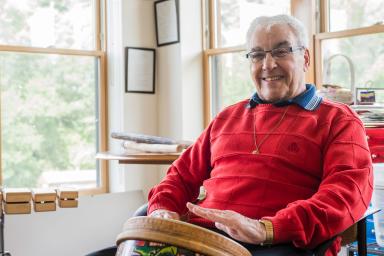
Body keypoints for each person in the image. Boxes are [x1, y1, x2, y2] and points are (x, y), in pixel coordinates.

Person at [87, 14, 373, 256]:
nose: (268, 65)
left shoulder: (339, 120)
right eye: (257, 55)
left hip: (270, 245)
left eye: (281, 51)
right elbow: (180, 177)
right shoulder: (227, 117)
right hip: (198, 240)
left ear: (305, 58)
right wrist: (163, 208)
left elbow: (344, 197)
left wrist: (266, 228)